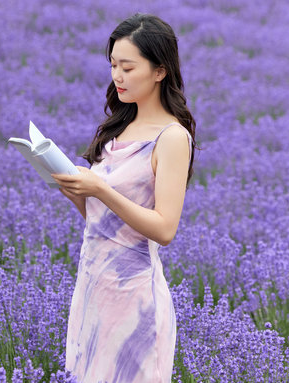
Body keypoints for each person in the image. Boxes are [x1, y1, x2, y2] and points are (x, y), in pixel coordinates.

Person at [51, 12, 199, 383]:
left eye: (128, 67)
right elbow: (107, 224)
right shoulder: (119, 126)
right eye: (114, 65)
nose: (118, 76)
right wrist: (76, 193)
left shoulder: (172, 137)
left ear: (160, 70)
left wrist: (100, 188)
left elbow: (164, 229)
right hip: (93, 288)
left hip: (135, 301)